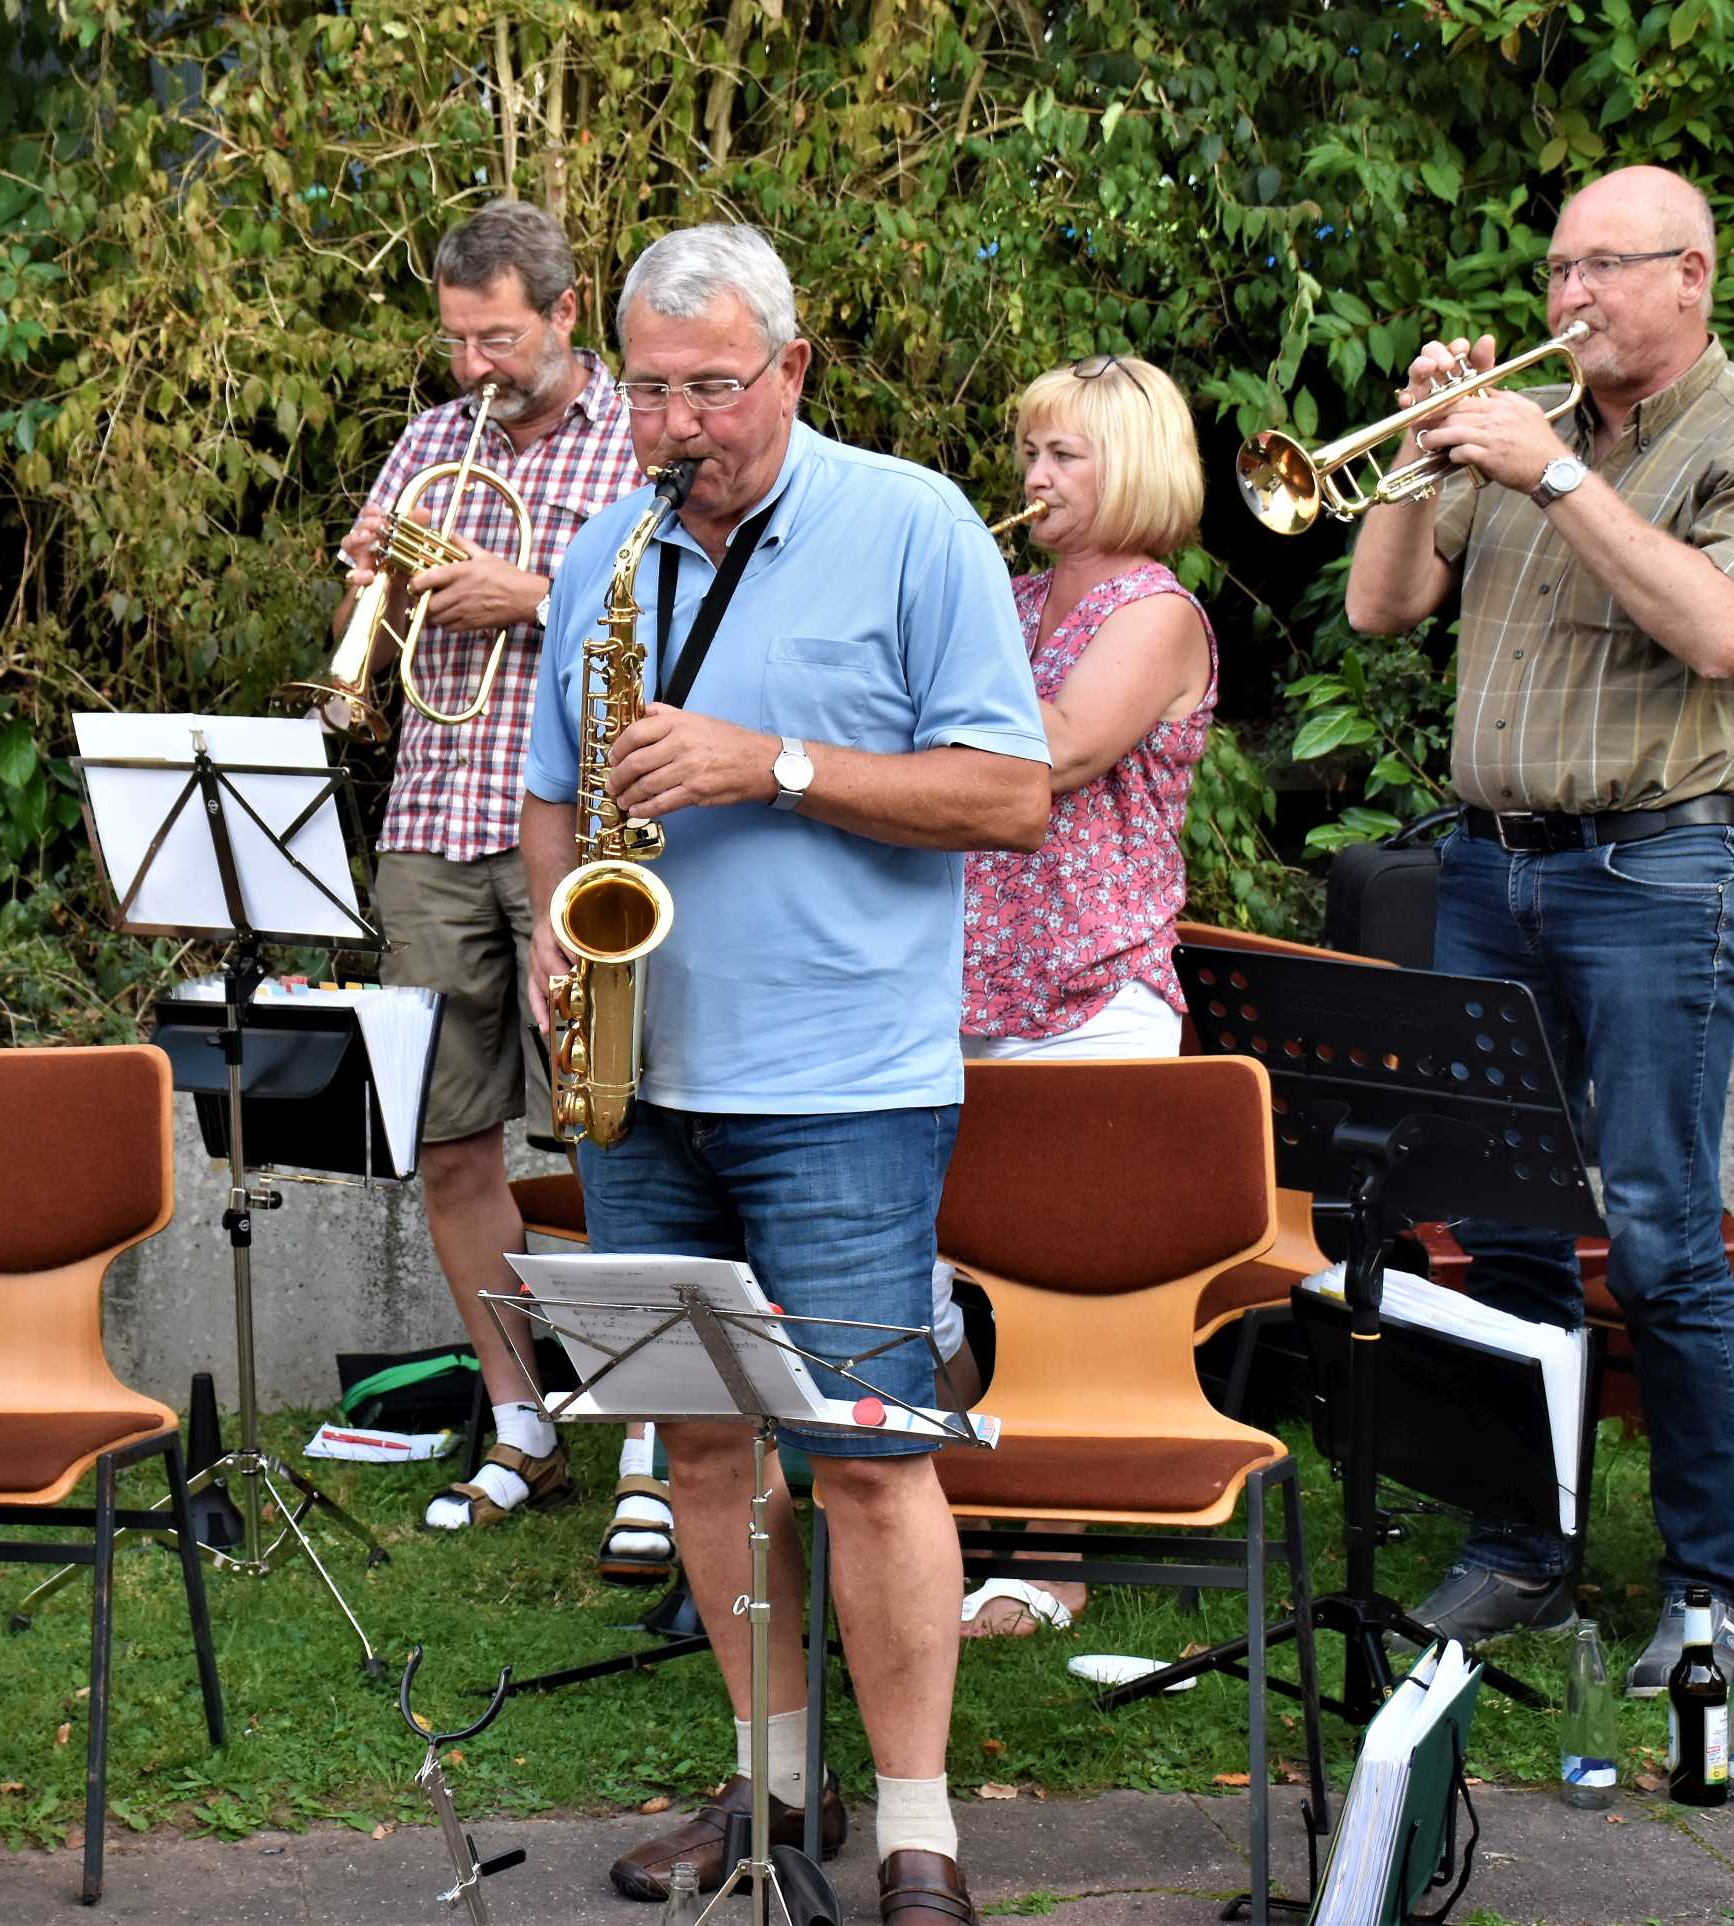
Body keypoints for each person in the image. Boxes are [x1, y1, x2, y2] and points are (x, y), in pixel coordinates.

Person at [521, 224, 1049, 1926]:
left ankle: (918, 1829)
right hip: (643, 1080)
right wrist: (548, 935)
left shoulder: (915, 524)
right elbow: (552, 794)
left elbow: (1009, 794)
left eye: (714, 388)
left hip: (845, 1089)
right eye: (649, 392)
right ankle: (771, 1784)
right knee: (698, 1447)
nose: (679, 427)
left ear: (793, 369)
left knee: (871, 1457)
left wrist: (781, 766)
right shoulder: (605, 550)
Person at [1345, 165, 1734, 1692]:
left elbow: (1722, 630)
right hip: (1491, 869)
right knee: (1504, 1223)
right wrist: (1417, 456)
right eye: (1558, 269)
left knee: (1657, 1232)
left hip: (1655, 870)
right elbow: (1382, 607)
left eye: (1604, 268)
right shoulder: (1528, 427)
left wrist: (1555, 476)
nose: (1569, 298)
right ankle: (1523, 1548)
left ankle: (1719, 1591)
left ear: (1692, 275)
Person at [335, 198, 666, 1566]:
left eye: (500, 340)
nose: (475, 366)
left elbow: (671, 609)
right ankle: (521, 1417)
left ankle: (655, 1432)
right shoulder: (432, 440)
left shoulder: (642, 434)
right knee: (451, 1141)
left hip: (578, 827)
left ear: (567, 312)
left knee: (612, 1131)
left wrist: (526, 594)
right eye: (458, 341)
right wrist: (374, 590)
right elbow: (372, 621)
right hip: (430, 819)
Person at [950, 353, 1217, 1639]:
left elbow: (1051, 750)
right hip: (963, 985)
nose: (1034, 475)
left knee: (1052, 1295)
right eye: (1028, 451)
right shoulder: (1002, 597)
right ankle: (965, 1497)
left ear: (1137, 467)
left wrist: (925, 668)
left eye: (1064, 454)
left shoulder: (1155, 613)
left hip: (1091, 989)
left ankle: (1049, 1557)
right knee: (914, 1273)